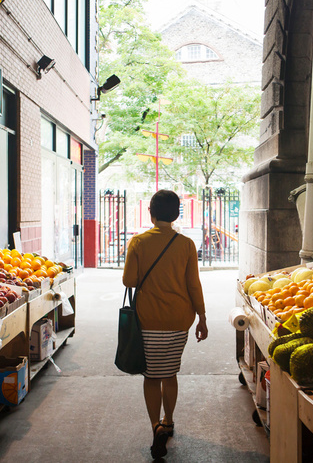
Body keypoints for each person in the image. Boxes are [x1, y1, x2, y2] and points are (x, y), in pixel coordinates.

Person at [122, 190, 208, 459]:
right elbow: (194, 284)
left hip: (147, 321)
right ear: (176, 213)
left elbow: (130, 281)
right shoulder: (186, 244)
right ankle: (168, 421)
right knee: (169, 374)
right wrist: (202, 317)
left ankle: (155, 426)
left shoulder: (138, 242)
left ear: (151, 211)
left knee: (151, 376)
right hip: (178, 320)